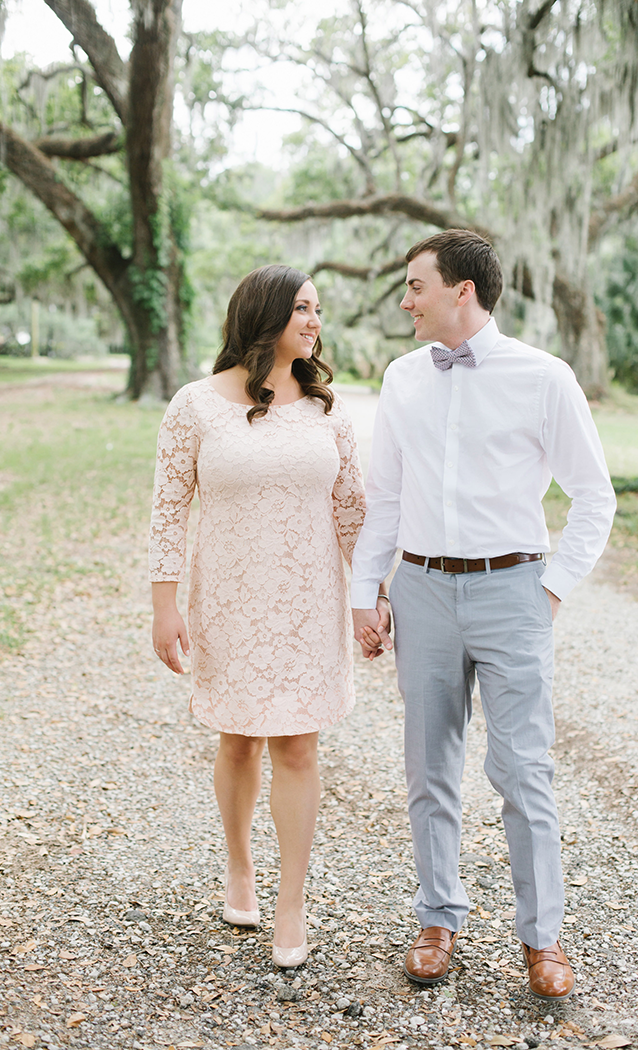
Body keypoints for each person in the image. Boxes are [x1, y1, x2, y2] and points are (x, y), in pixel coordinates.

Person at [351, 230, 616, 999]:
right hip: (423, 591)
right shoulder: (403, 379)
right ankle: (438, 918)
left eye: (415, 286)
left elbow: (594, 495)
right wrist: (366, 593)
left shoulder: (543, 376)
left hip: (514, 591)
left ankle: (542, 939)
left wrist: (551, 589)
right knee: (428, 766)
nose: (405, 300)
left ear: (461, 291)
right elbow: (387, 500)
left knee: (524, 770)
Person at [149, 264, 388, 967]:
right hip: (229, 597)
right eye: (303, 309)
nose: (316, 322)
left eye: (318, 310)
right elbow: (168, 507)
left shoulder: (327, 408)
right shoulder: (194, 405)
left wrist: (368, 599)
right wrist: (165, 606)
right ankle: (239, 868)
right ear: (265, 315)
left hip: (309, 602)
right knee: (239, 740)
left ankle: (292, 901)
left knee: (298, 746)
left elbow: (352, 511)